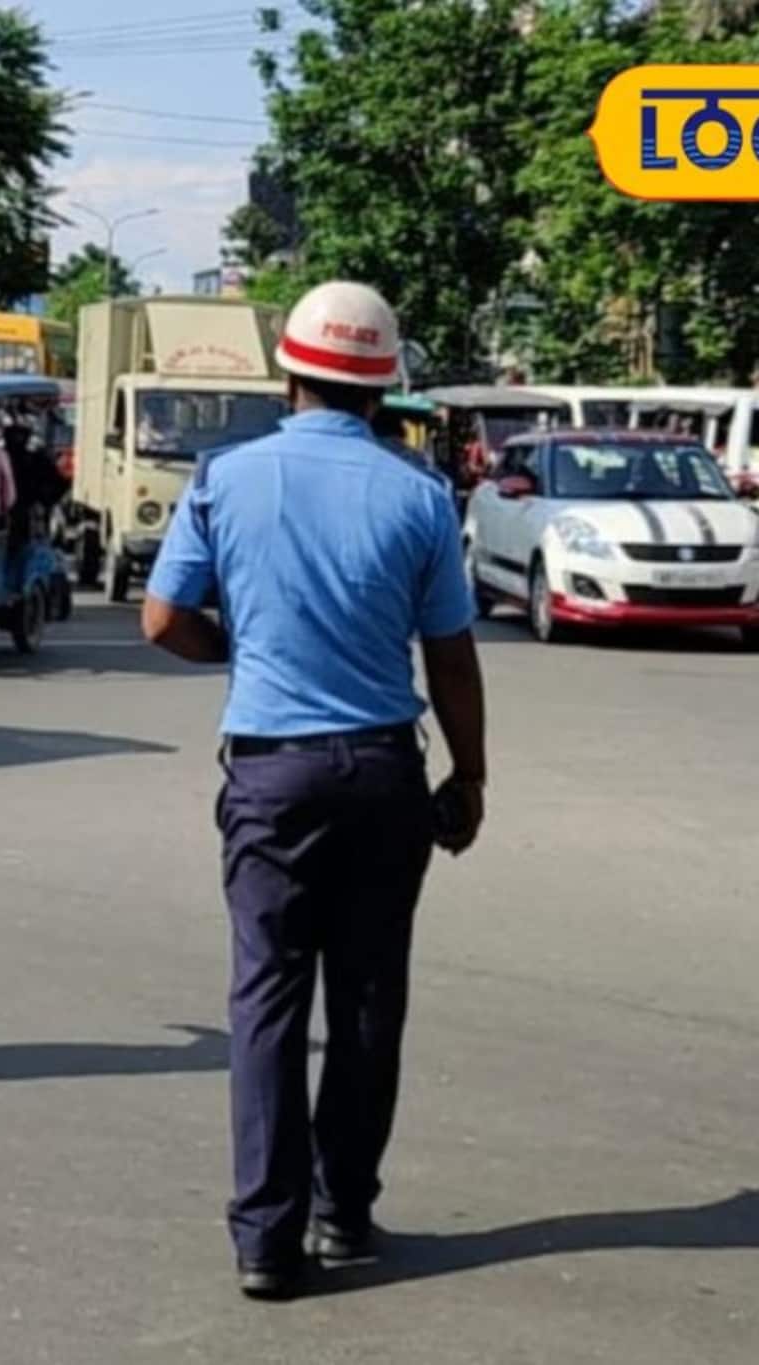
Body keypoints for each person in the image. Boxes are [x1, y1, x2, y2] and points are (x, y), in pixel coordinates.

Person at [140, 281, 488, 1302]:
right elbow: (452, 658)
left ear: (287, 372)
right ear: (383, 388)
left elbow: (162, 622)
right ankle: (343, 1209)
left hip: (270, 774)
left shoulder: (223, 478)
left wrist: (240, 655)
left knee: (267, 1000)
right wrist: (467, 777)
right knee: (369, 998)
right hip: (383, 771)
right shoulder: (418, 495)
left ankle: (264, 1238)